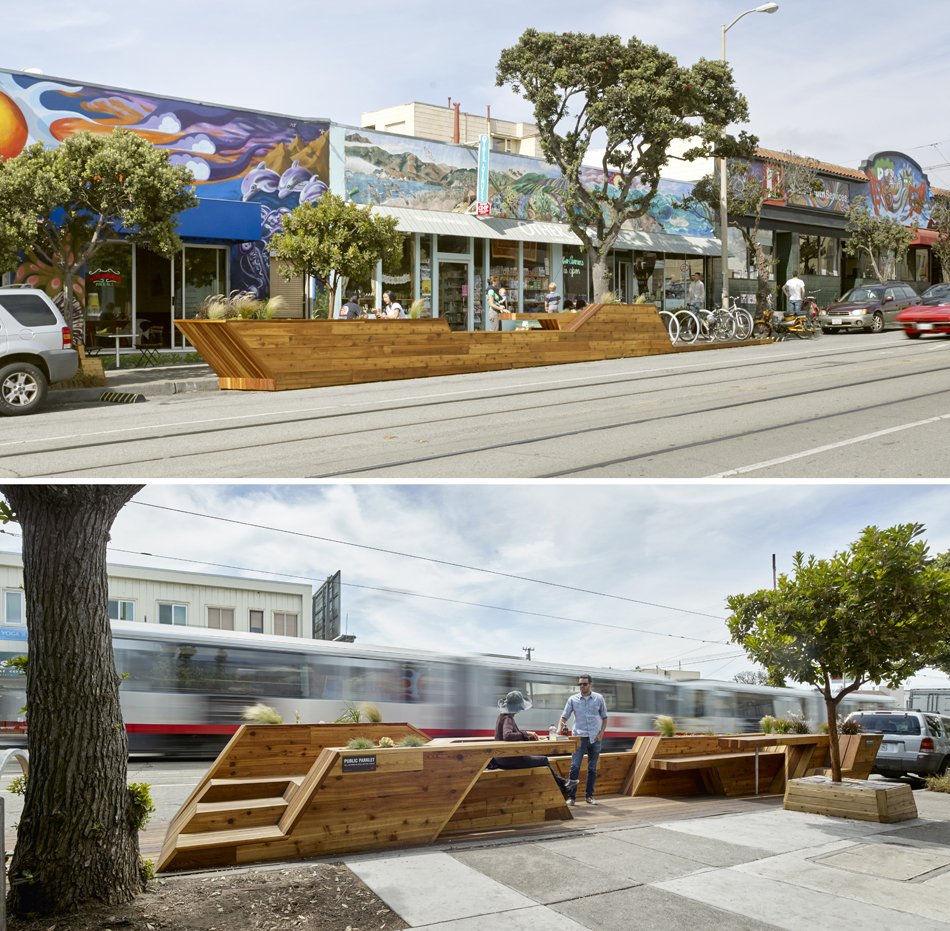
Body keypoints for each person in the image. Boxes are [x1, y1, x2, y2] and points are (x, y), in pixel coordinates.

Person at [491, 691, 570, 797]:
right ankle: (564, 785)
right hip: (508, 759)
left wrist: (526, 735)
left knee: (540, 759)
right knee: (543, 760)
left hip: (502, 758)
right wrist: (526, 733)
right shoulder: (508, 718)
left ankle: (563, 784)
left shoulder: (502, 716)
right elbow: (507, 735)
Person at [558, 674, 608, 806]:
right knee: (575, 767)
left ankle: (589, 796)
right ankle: (572, 798)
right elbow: (564, 717)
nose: (582, 686)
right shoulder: (573, 699)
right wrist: (560, 727)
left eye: (584, 684)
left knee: (592, 768)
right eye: (580, 684)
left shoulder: (599, 698)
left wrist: (601, 733)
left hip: (595, 738)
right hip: (579, 738)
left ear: (590, 684)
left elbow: (604, 717)